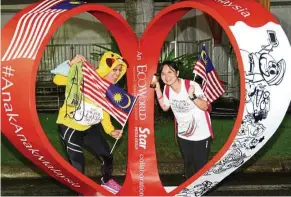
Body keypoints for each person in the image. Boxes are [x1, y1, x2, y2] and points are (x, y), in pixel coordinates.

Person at [51, 51, 127, 194]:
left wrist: (110, 130)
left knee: (107, 156)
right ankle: (80, 193)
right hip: (69, 126)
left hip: (88, 128)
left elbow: (104, 111)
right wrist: (71, 64)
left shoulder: (109, 89)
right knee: (78, 165)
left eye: (119, 70)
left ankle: (107, 182)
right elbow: (57, 80)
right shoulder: (87, 76)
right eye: (114, 69)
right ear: (106, 66)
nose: (117, 74)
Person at [153, 60, 213, 180]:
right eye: (163, 74)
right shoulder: (167, 89)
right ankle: (190, 191)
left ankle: (200, 190)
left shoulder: (191, 86)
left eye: (170, 72)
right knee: (188, 164)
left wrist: (192, 96)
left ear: (177, 73)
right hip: (183, 134)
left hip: (201, 133)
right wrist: (157, 88)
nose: (166, 76)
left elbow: (206, 106)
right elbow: (165, 107)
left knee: (200, 167)